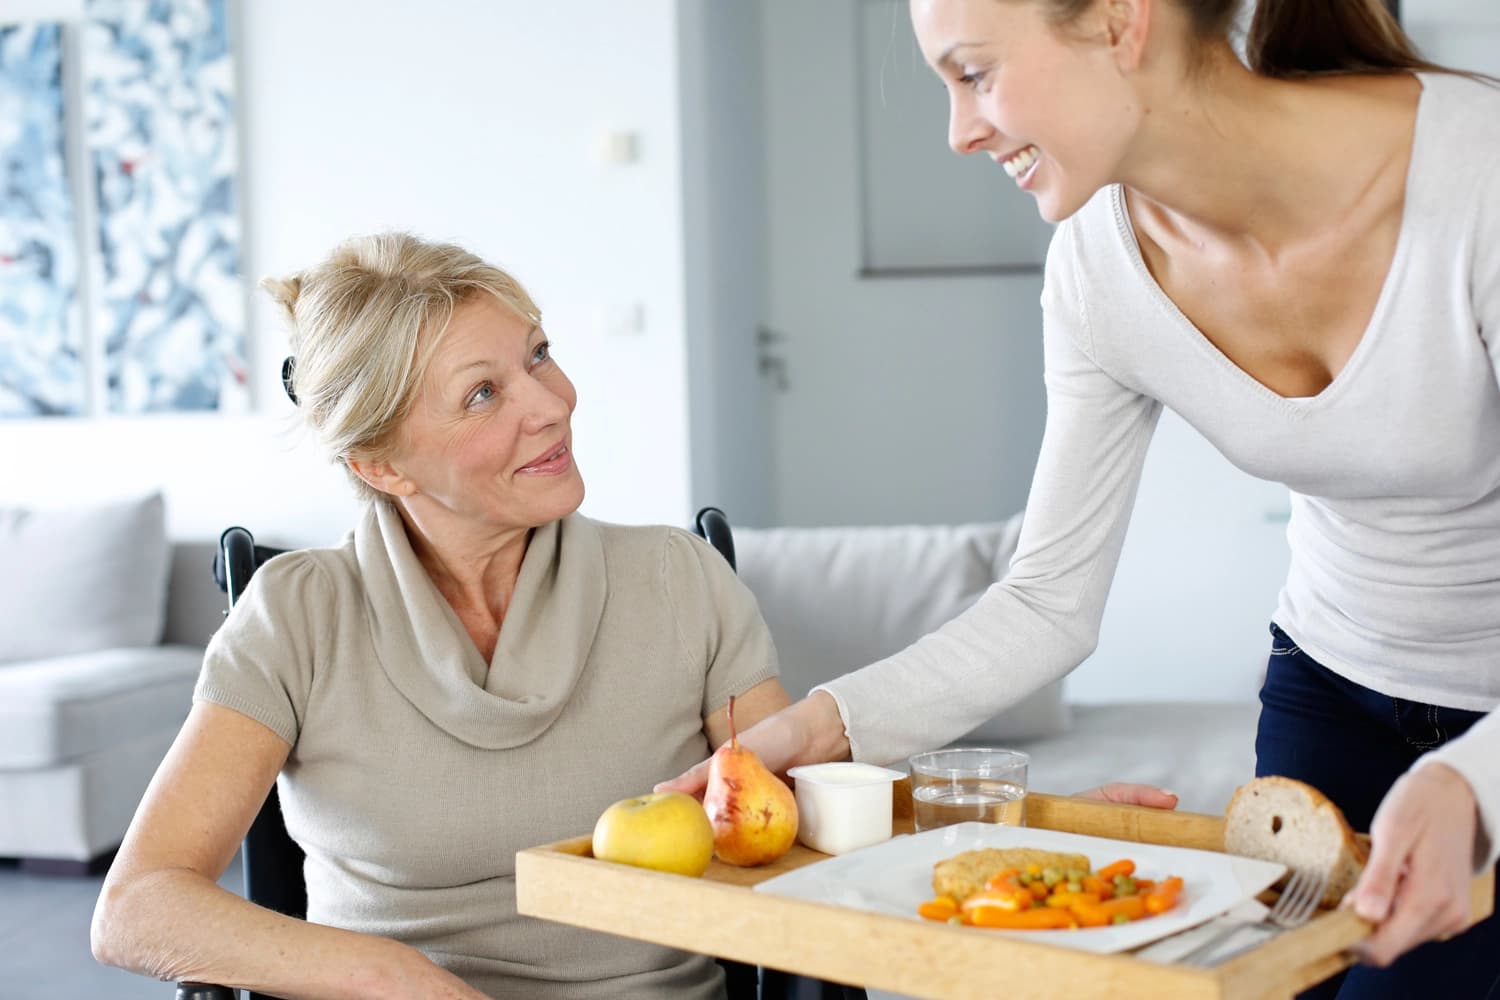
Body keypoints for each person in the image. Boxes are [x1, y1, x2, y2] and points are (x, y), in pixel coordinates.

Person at [660, 2, 1499, 996]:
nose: (958, 131)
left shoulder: (1475, 181)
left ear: (1117, 22)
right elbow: (1048, 598)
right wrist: (821, 726)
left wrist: (1472, 780)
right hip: (1332, 688)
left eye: (973, 74)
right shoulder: (1100, 270)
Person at [88, 232, 796, 999]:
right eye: (483, 394)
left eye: (537, 355)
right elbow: (136, 905)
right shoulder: (300, 615)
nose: (553, 405)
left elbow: (804, 837)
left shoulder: (677, 580)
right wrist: (388, 973)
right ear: (381, 465)